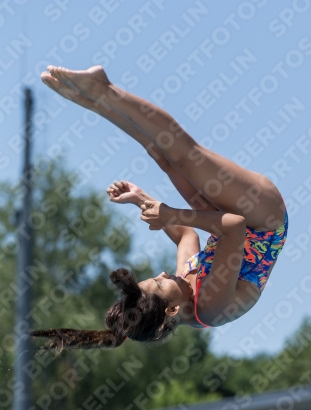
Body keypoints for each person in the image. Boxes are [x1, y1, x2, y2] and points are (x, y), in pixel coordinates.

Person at [32, 65, 288, 352]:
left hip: (233, 216)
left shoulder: (182, 287)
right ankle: (104, 89)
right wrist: (170, 214)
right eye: (159, 282)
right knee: (185, 157)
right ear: (172, 311)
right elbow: (234, 227)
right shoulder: (211, 308)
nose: (164, 275)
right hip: (264, 219)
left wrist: (141, 199)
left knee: (164, 158)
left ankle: (93, 101)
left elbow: (186, 237)